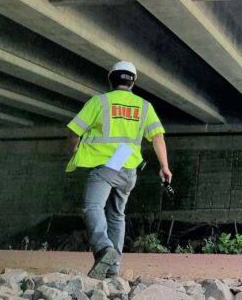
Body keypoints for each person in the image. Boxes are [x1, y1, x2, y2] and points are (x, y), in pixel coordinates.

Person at [66, 61, 172, 279]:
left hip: (108, 163)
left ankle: (104, 248)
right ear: (132, 83)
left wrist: (73, 151)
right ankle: (113, 269)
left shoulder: (100, 102)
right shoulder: (144, 106)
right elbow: (158, 137)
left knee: (92, 206)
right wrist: (164, 167)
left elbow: (74, 130)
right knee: (116, 215)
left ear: (111, 79)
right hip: (129, 166)